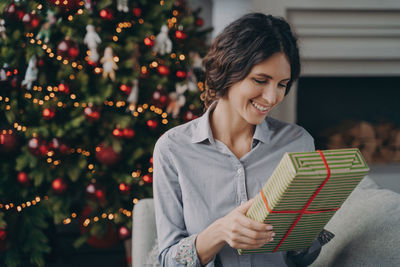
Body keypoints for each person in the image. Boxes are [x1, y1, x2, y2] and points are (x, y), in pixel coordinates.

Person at [153, 13, 332, 267]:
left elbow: (300, 258)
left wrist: (308, 225)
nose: (272, 98)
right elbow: (168, 261)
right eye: (260, 80)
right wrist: (220, 232)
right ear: (228, 70)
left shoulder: (298, 143)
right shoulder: (173, 149)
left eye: (282, 84)